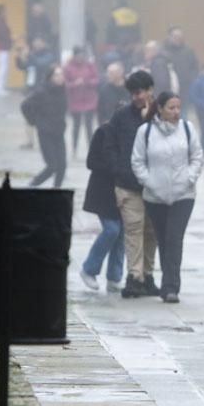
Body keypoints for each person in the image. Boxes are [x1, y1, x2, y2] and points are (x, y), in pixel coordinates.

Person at [131, 91, 204, 304]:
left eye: (178, 107)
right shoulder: (145, 131)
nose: (175, 112)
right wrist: (149, 181)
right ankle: (167, 282)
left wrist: (189, 178)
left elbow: (197, 156)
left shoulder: (187, 129)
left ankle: (171, 286)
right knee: (163, 239)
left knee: (174, 238)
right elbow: (137, 161)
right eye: (171, 108)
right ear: (160, 108)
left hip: (184, 194)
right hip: (155, 196)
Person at [107, 70, 161, 299]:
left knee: (152, 232)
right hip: (128, 185)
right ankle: (134, 276)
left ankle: (148, 275)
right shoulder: (121, 117)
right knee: (134, 229)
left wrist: (150, 118)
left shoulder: (162, 114)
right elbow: (110, 146)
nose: (137, 97)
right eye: (133, 93)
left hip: (156, 186)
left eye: (141, 92)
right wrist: (119, 169)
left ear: (150, 90)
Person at [79, 121, 125, 293]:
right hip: (103, 192)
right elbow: (91, 161)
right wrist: (114, 166)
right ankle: (89, 269)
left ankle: (114, 277)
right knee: (112, 229)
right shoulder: (104, 132)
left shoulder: (135, 132)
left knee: (122, 234)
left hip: (124, 190)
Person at [21, 65, 68, 188]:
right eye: (57, 75)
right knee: (52, 166)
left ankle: (57, 190)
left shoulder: (63, 90)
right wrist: (34, 121)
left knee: (62, 166)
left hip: (59, 132)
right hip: (45, 133)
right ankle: (33, 184)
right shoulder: (41, 91)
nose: (60, 77)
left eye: (61, 74)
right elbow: (25, 106)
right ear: (50, 77)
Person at [63, 47, 99, 158]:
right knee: (76, 126)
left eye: (82, 55)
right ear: (74, 56)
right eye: (78, 56)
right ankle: (74, 149)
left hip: (89, 100)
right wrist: (74, 84)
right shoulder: (68, 67)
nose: (80, 58)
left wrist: (88, 82)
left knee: (89, 126)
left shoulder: (90, 65)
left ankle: (92, 150)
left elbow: (96, 80)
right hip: (75, 101)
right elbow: (64, 83)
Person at [163, 26, 200, 97]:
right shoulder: (163, 50)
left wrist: (191, 79)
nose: (178, 39)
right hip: (169, 88)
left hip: (186, 88)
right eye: (175, 36)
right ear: (169, 37)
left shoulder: (188, 51)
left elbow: (195, 67)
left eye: (180, 36)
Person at [97, 61, 130, 126]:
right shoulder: (104, 90)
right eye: (108, 72)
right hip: (111, 125)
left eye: (112, 73)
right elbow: (100, 110)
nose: (109, 75)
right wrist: (103, 123)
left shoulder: (130, 87)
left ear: (120, 72)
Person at [0, 4, 13, 96]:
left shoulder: (1, 21)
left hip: (3, 47)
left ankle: (1, 87)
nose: (6, 13)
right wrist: (11, 39)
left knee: (4, 68)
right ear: (1, 12)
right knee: (2, 68)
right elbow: (4, 35)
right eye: (4, 11)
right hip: (2, 48)